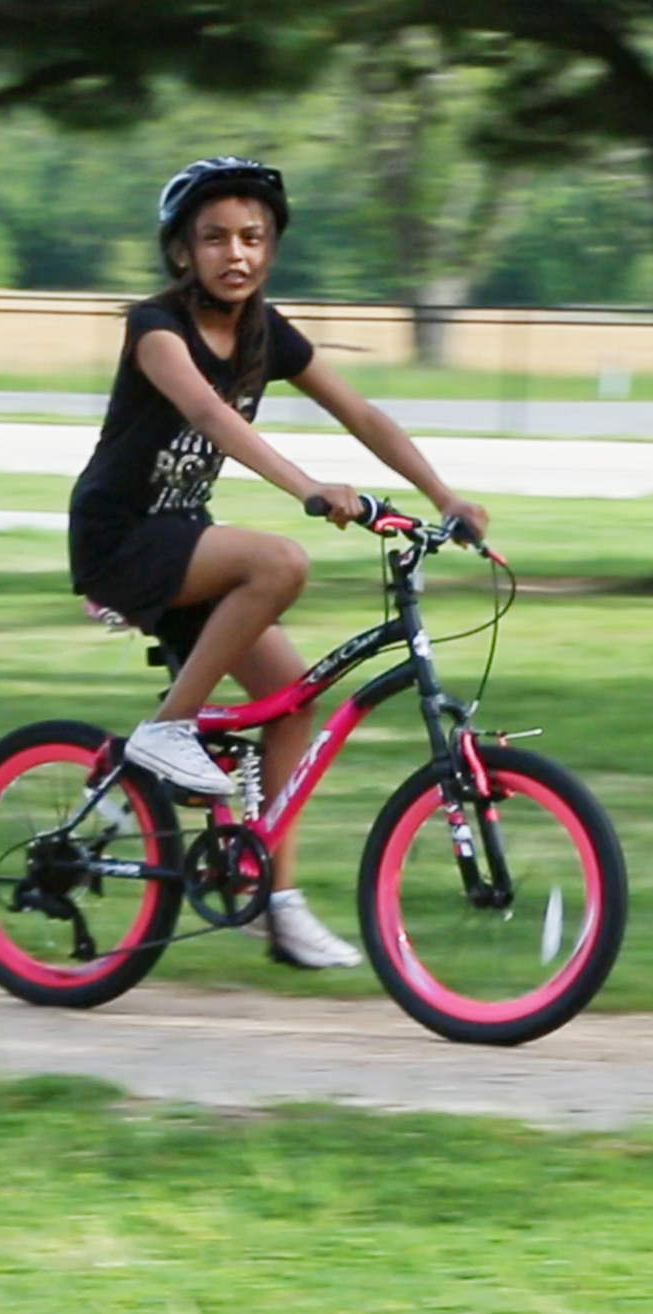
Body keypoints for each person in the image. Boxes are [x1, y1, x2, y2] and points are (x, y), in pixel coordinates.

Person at [68, 156, 487, 970]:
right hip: (119, 539)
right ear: (181, 254)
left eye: (253, 238)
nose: (236, 254)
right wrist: (305, 487)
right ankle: (164, 734)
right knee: (279, 563)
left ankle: (275, 901)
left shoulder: (268, 332)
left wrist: (442, 495)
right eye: (215, 238)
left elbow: (360, 412)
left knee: (291, 706)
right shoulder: (155, 329)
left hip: (182, 536)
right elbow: (203, 413)